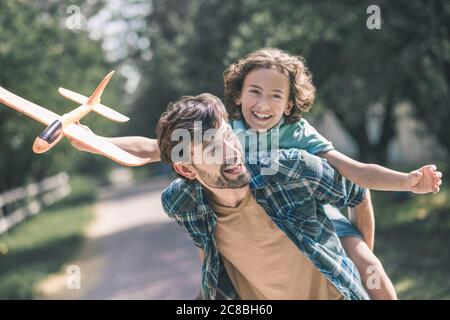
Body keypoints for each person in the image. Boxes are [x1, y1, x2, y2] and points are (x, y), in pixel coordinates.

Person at [70, 48, 442, 299]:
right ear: (238, 95)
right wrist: (94, 140)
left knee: (368, 265)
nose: (263, 105)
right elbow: (153, 149)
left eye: (276, 96)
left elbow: (357, 179)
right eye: (255, 92)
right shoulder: (197, 174)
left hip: (321, 207)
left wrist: (406, 183)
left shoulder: (297, 146)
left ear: (290, 103)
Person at [156, 93, 371, 299]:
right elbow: (206, 248)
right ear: (187, 170)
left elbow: (358, 192)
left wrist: (363, 259)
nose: (232, 152)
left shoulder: (291, 169)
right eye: (213, 148)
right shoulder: (182, 201)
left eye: (229, 135)